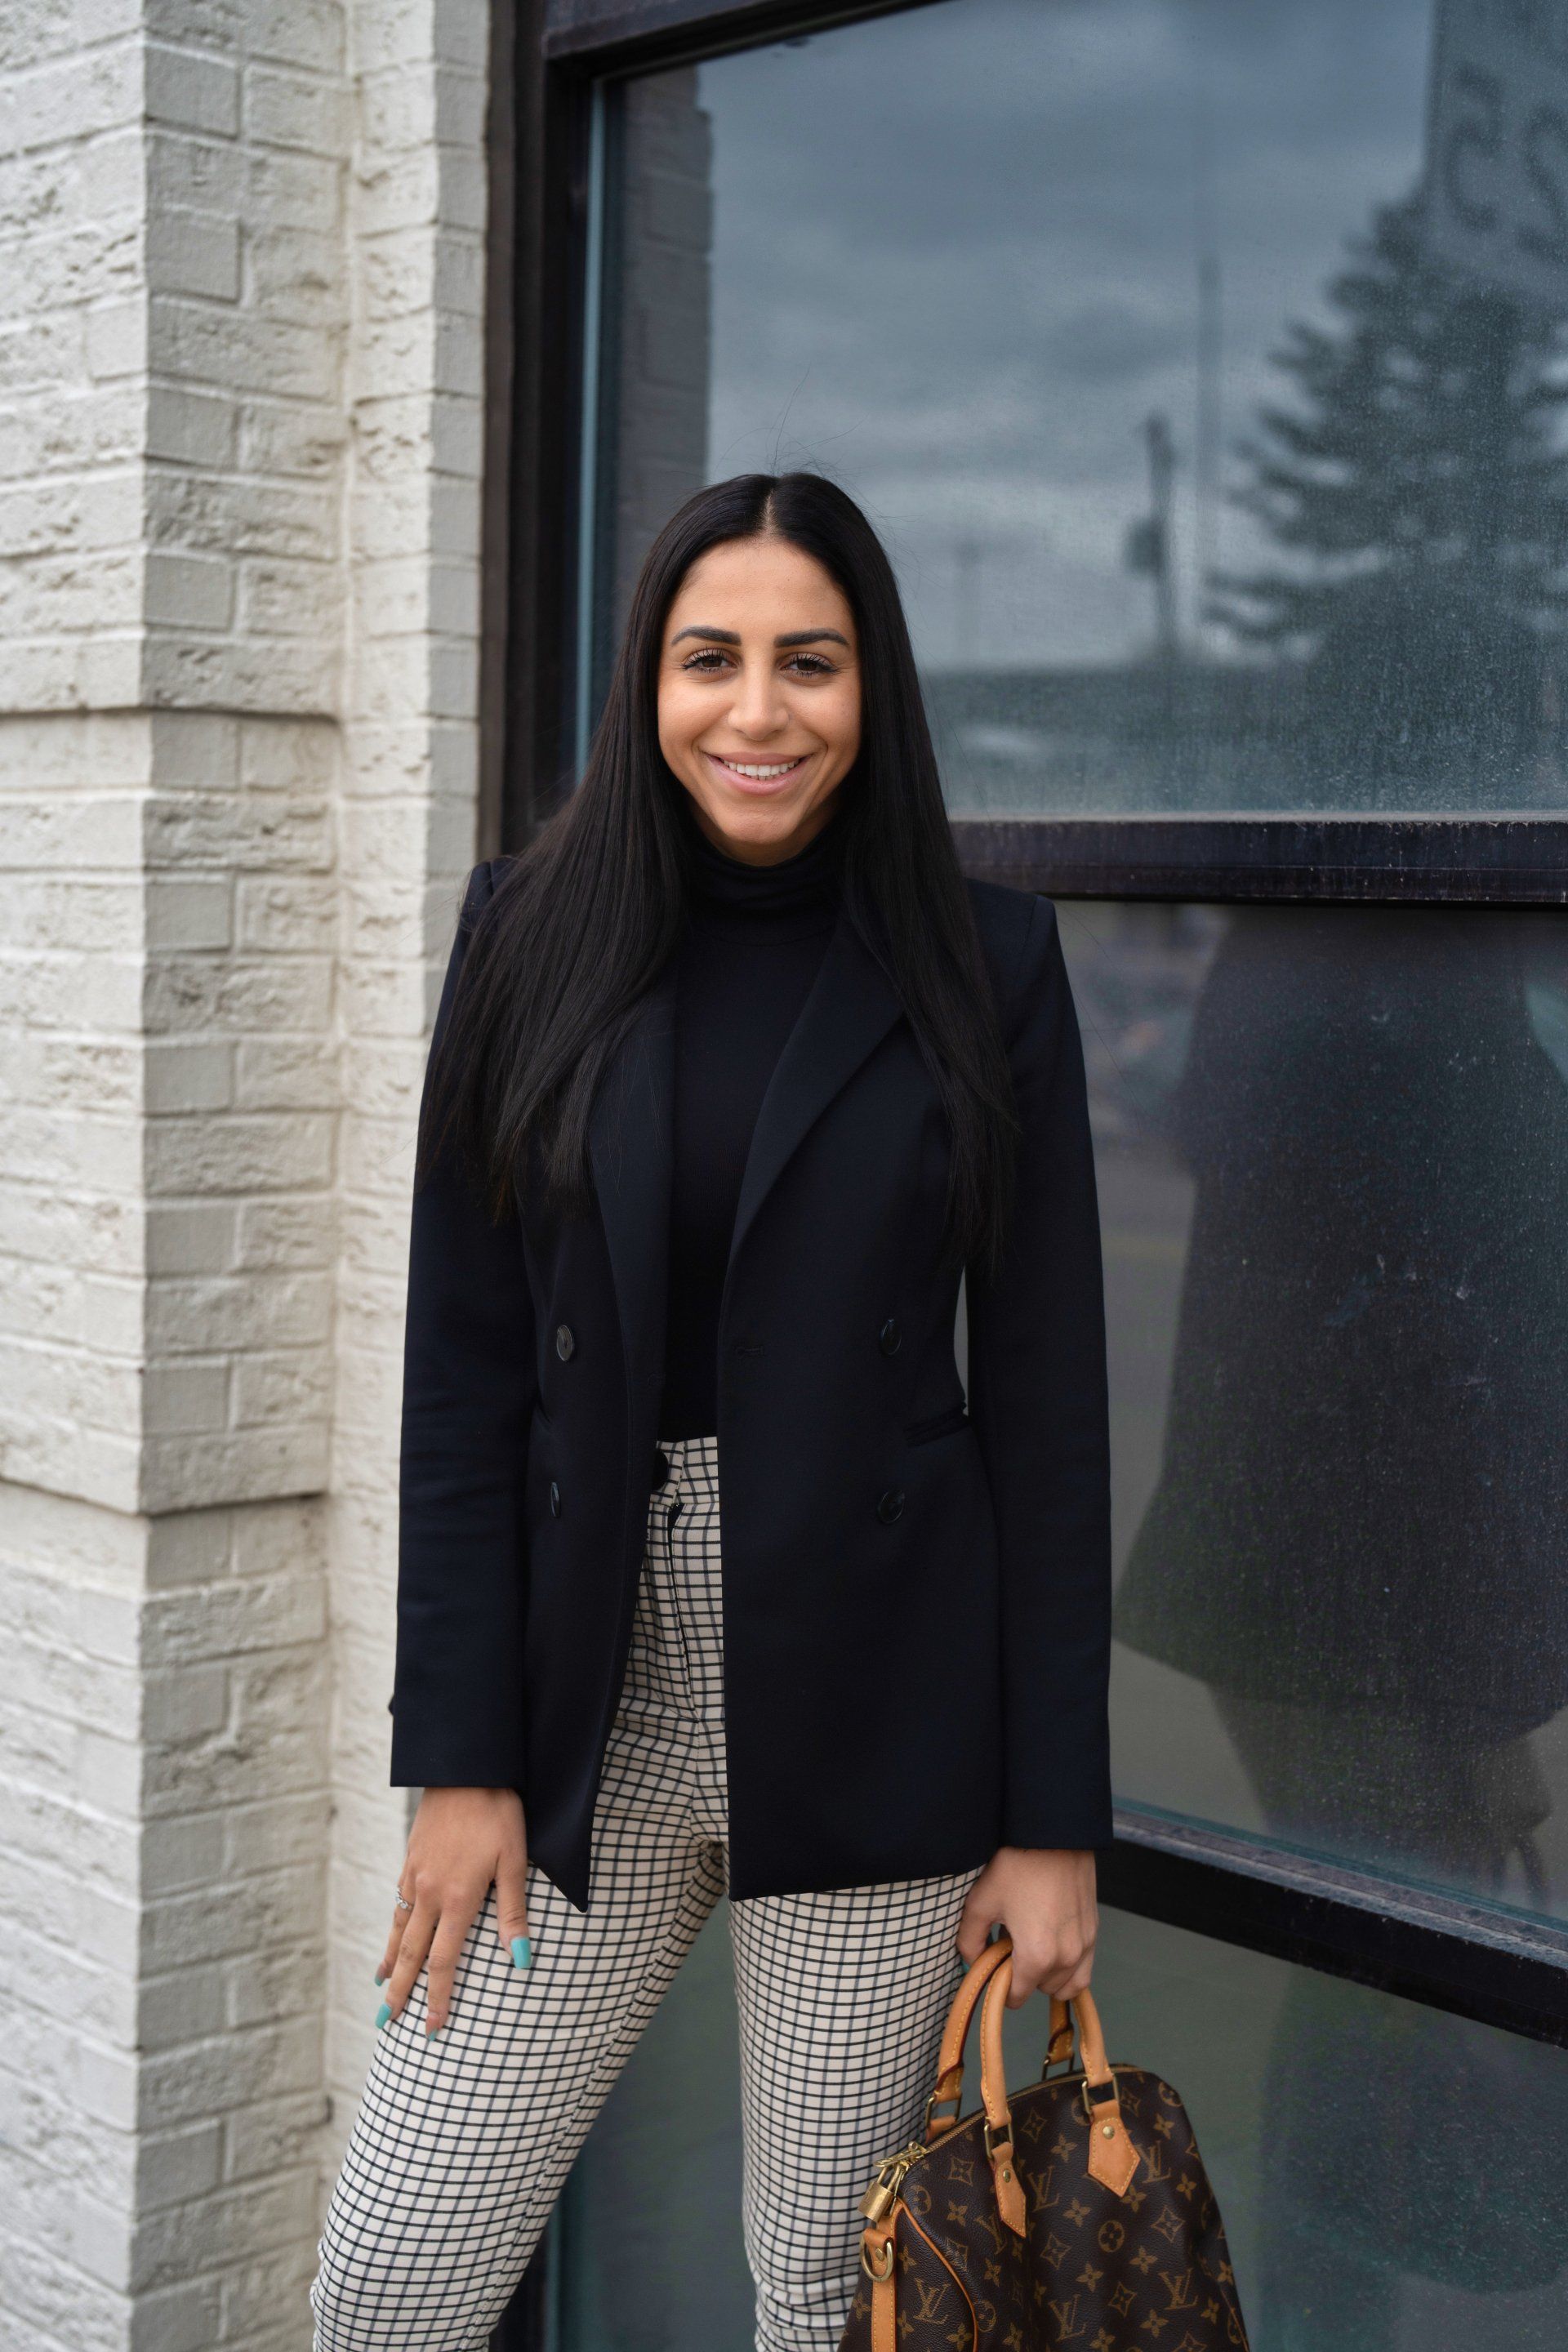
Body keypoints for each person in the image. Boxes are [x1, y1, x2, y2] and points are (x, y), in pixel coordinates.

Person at [310, 471, 1111, 2351]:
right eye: (712, 659)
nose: (758, 712)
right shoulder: (527, 934)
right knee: (391, 2283)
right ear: (650, 684)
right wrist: (463, 1754)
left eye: (808, 664)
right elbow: (466, 1375)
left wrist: (1053, 1818)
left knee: (824, 2304)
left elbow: (1055, 1413)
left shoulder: (989, 966)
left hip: (882, 1702)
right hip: (591, 1702)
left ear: (871, 688)